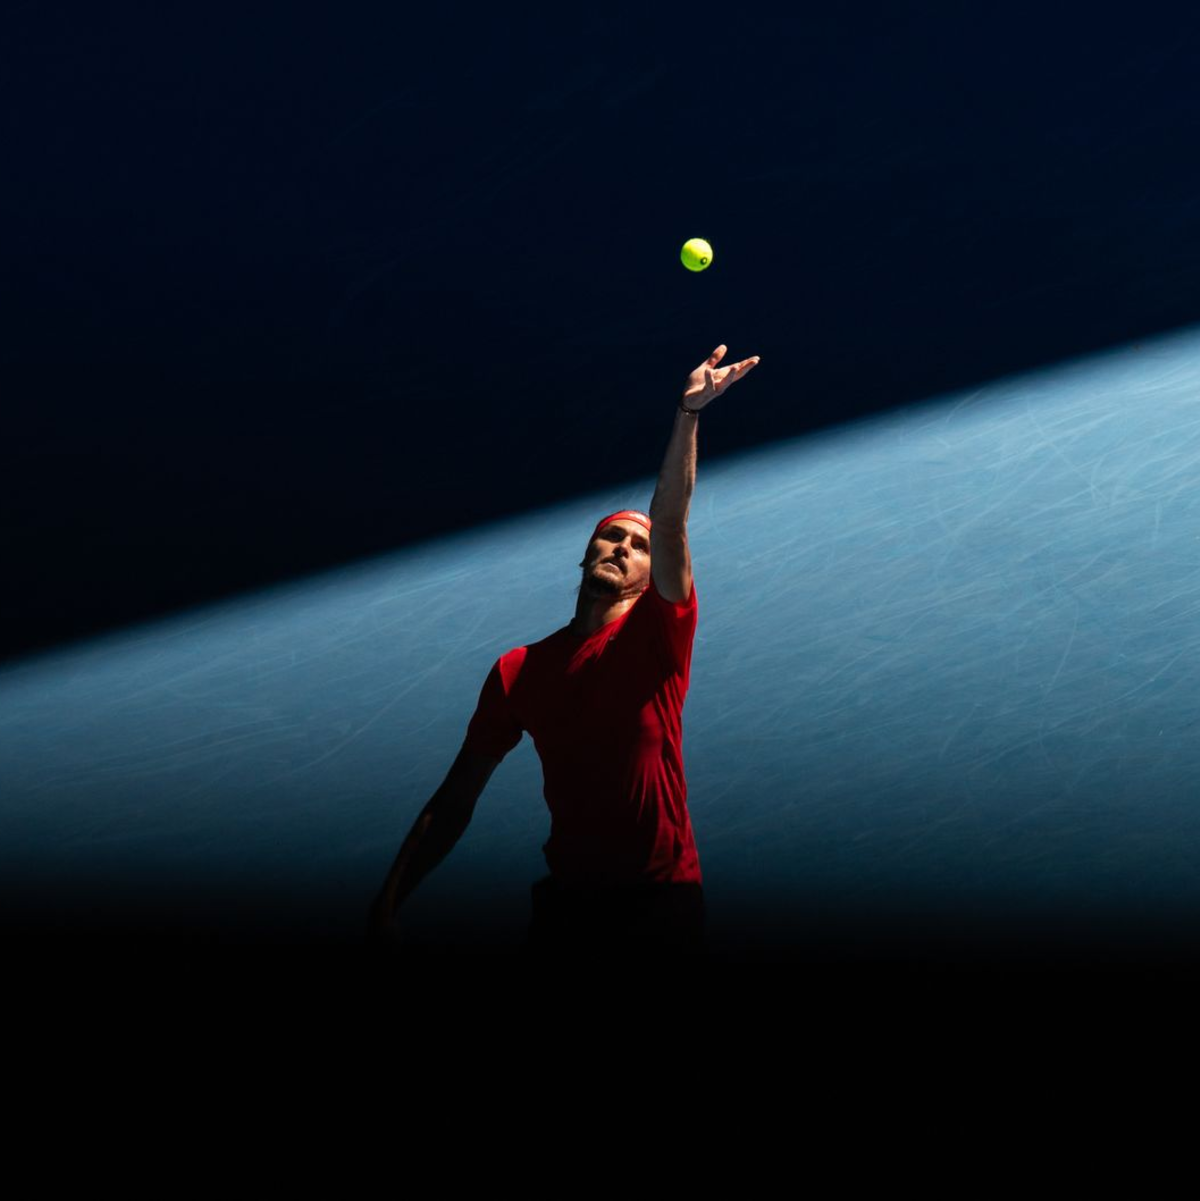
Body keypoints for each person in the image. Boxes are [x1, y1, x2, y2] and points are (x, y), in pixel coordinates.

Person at [368, 344, 761, 961]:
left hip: (661, 903)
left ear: (648, 569)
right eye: (611, 536)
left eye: (637, 544)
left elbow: (671, 522)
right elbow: (455, 798)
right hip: (570, 906)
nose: (623, 548)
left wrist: (688, 415)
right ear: (587, 553)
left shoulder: (660, 633)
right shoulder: (518, 671)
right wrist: (387, 903)